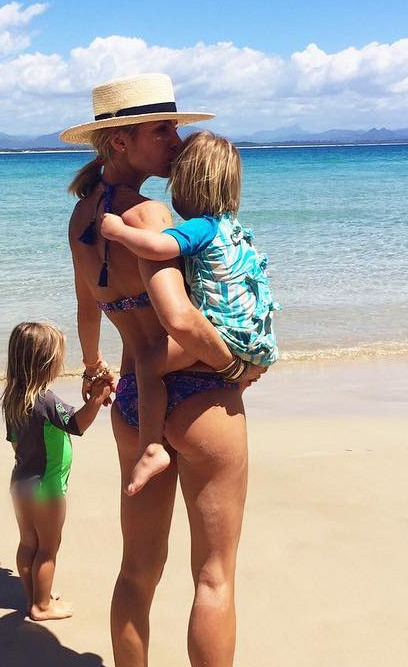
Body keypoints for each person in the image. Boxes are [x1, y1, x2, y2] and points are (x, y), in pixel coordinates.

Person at [60, 73, 263, 667]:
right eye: (160, 131)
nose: (174, 143)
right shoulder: (148, 220)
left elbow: (91, 309)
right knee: (214, 577)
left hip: (131, 406)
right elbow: (177, 322)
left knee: (137, 571)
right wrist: (236, 363)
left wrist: (91, 365)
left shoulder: (83, 216)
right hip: (198, 396)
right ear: (121, 140)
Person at [101, 130, 279, 496]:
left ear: (188, 184)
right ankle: (239, 375)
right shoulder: (235, 231)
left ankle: (151, 446)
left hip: (218, 340)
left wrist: (118, 231)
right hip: (253, 340)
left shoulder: (199, 228)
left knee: (149, 363)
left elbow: (158, 248)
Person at [1, 321, 111, 622]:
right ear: (46, 364)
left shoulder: (12, 399)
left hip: (21, 485)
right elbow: (77, 425)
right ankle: (42, 606)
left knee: (28, 544)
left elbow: (14, 444)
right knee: (48, 549)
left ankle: (35, 594)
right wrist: (99, 399)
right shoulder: (46, 400)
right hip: (48, 489)